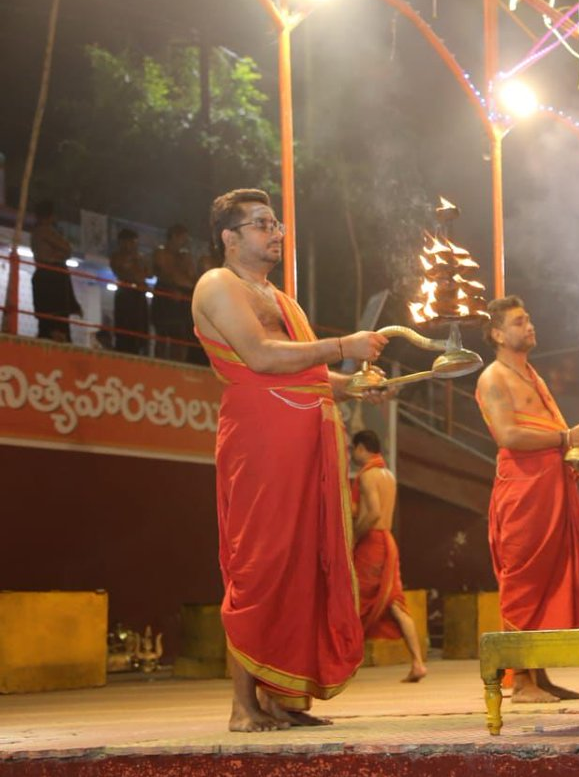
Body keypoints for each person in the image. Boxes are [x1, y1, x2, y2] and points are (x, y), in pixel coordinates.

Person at [192, 188, 389, 732]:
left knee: (303, 564)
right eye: (260, 224)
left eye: (275, 223)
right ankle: (242, 705)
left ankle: (279, 697)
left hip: (307, 439)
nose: (274, 233)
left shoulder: (284, 301)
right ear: (229, 239)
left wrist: (353, 387)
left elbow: (303, 371)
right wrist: (342, 344)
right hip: (261, 440)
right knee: (260, 562)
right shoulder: (218, 285)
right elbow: (259, 356)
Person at [473, 295, 579, 703]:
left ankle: (540, 675)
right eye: (518, 321)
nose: (528, 326)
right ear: (496, 334)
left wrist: (576, 452)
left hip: (553, 486)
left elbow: (557, 430)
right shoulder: (493, 377)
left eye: (528, 319)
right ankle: (520, 681)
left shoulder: (533, 375)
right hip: (523, 491)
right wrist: (565, 439)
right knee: (524, 582)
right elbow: (508, 436)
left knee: (551, 581)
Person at [349, 429, 427, 683]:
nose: (352, 455)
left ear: (361, 448)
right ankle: (418, 662)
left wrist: (354, 539)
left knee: (354, 602)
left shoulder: (368, 476)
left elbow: (371, 514)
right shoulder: (388, 474)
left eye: (353, 450)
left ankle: (342, 664)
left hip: (372, 542)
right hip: (387, 540)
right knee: (394, 602)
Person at [30, 200, 81, 342]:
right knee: (55, 319)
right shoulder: (45, 231)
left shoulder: (38, 232)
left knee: (50, 319)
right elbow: (67, 249)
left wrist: (57, 253)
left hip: (49, 274)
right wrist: (59, 254)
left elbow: (65, 250)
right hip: (51, 276)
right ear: (51, 215)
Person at [153, 223, 197, 361]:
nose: (184, 242)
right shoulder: (161, 253)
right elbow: (165, 273)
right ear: (174, 237)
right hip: (166, 293)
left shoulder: (184, 257)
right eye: (182, 238)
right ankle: (159, 364)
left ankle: (177, 365)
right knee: (163, 334)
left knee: (180, 335)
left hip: (184, 295)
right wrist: (173, 288)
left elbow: (191, 277)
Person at [110, 229, 150, 355]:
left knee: (141, 330)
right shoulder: (117, 257)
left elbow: (147, 273)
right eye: (130, 242)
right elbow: (122, 272)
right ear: (122, 242)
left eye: (134, 243)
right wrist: (136, 276)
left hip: (139, 295)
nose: (133, 245)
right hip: (125, 293)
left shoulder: (140, 257)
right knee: (124, 329)